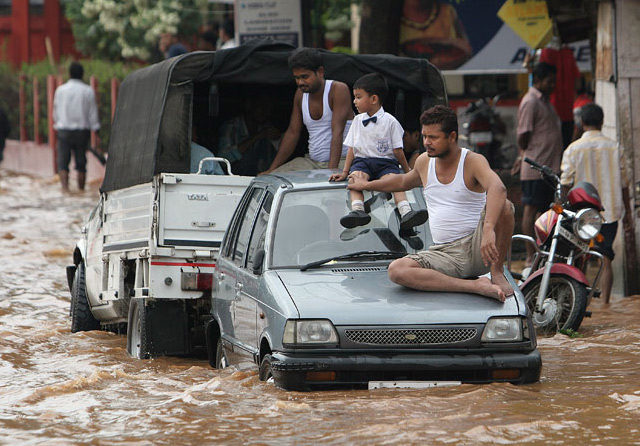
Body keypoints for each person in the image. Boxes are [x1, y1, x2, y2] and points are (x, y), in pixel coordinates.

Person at [348, 105, 515, 302]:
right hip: (445, 253)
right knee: (397, 270)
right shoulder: (424, 161)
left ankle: (496, 273)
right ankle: (474, 286)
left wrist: (488, 230)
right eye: (424, 136)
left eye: (433, 137)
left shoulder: (472, 161)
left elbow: (498, 188)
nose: (426, 142)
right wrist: (367, 184)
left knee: (505, 206)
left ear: (452, 137)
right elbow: (402, 181)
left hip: (480, 248)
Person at [329, 73, 428, 231]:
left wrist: (407, 171)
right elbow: (351, 149)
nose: (354, 101)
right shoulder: (357, 121)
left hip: (386, 163)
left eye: (358, 97)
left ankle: (406, 212)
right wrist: (345, 171)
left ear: (374, 99)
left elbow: (398, 150)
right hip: (362, 162)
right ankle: (358, 210)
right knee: (355, 180)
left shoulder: (390, 121)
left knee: (395, 182)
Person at [560, 103, 632, 304]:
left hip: (580, 214)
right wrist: (628, 214)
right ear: (602, 122)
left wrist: (561, 208)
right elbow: (625, 184)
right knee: (605, 257)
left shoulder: (573, 149)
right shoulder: (615, 148)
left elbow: (565, 182)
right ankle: (606, 305)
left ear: (581, 123)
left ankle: (579, 302)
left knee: (578, 255)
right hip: (608, 212)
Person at [261, 47, 354, 174]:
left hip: (342, 161)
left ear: (320, 72)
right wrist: (271, 169)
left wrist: (331, 172)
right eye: (297, 78)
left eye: (305, 77)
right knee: (271, 178)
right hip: (312, 162)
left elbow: (337, 131)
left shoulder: (337, 90)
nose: (300, 82)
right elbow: (293, 133)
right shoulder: (300, 94)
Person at [516, 62, 563, 266]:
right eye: (550, 81)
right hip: (536, 166)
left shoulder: (545, 101)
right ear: (540, 80)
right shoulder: (531, 101)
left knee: (544, 212)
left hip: (548, 168)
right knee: (530, 209)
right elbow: (523, 136)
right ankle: (529, 255)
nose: (553, 85)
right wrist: (528, 153)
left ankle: (541, 253)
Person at [53, 62, 100, 192]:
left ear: (70, 74)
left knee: (62, 164)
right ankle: (81, 191)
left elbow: (55, 112)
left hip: (63, 131)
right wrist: (96, 131)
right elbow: (93, 114)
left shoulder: (60, 90)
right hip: (81, 132)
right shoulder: (88, 91)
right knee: (81, 165)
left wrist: (58, 124)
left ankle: (65, 190)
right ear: (82, 74)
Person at [218, 93, 281, 176]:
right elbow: (223, 159)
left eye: (269, 108)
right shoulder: (232, 126)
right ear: (249, 105)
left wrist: (279, 140)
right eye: (262, 106)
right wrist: (257, 137)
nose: (266, 112)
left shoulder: (268, 128)